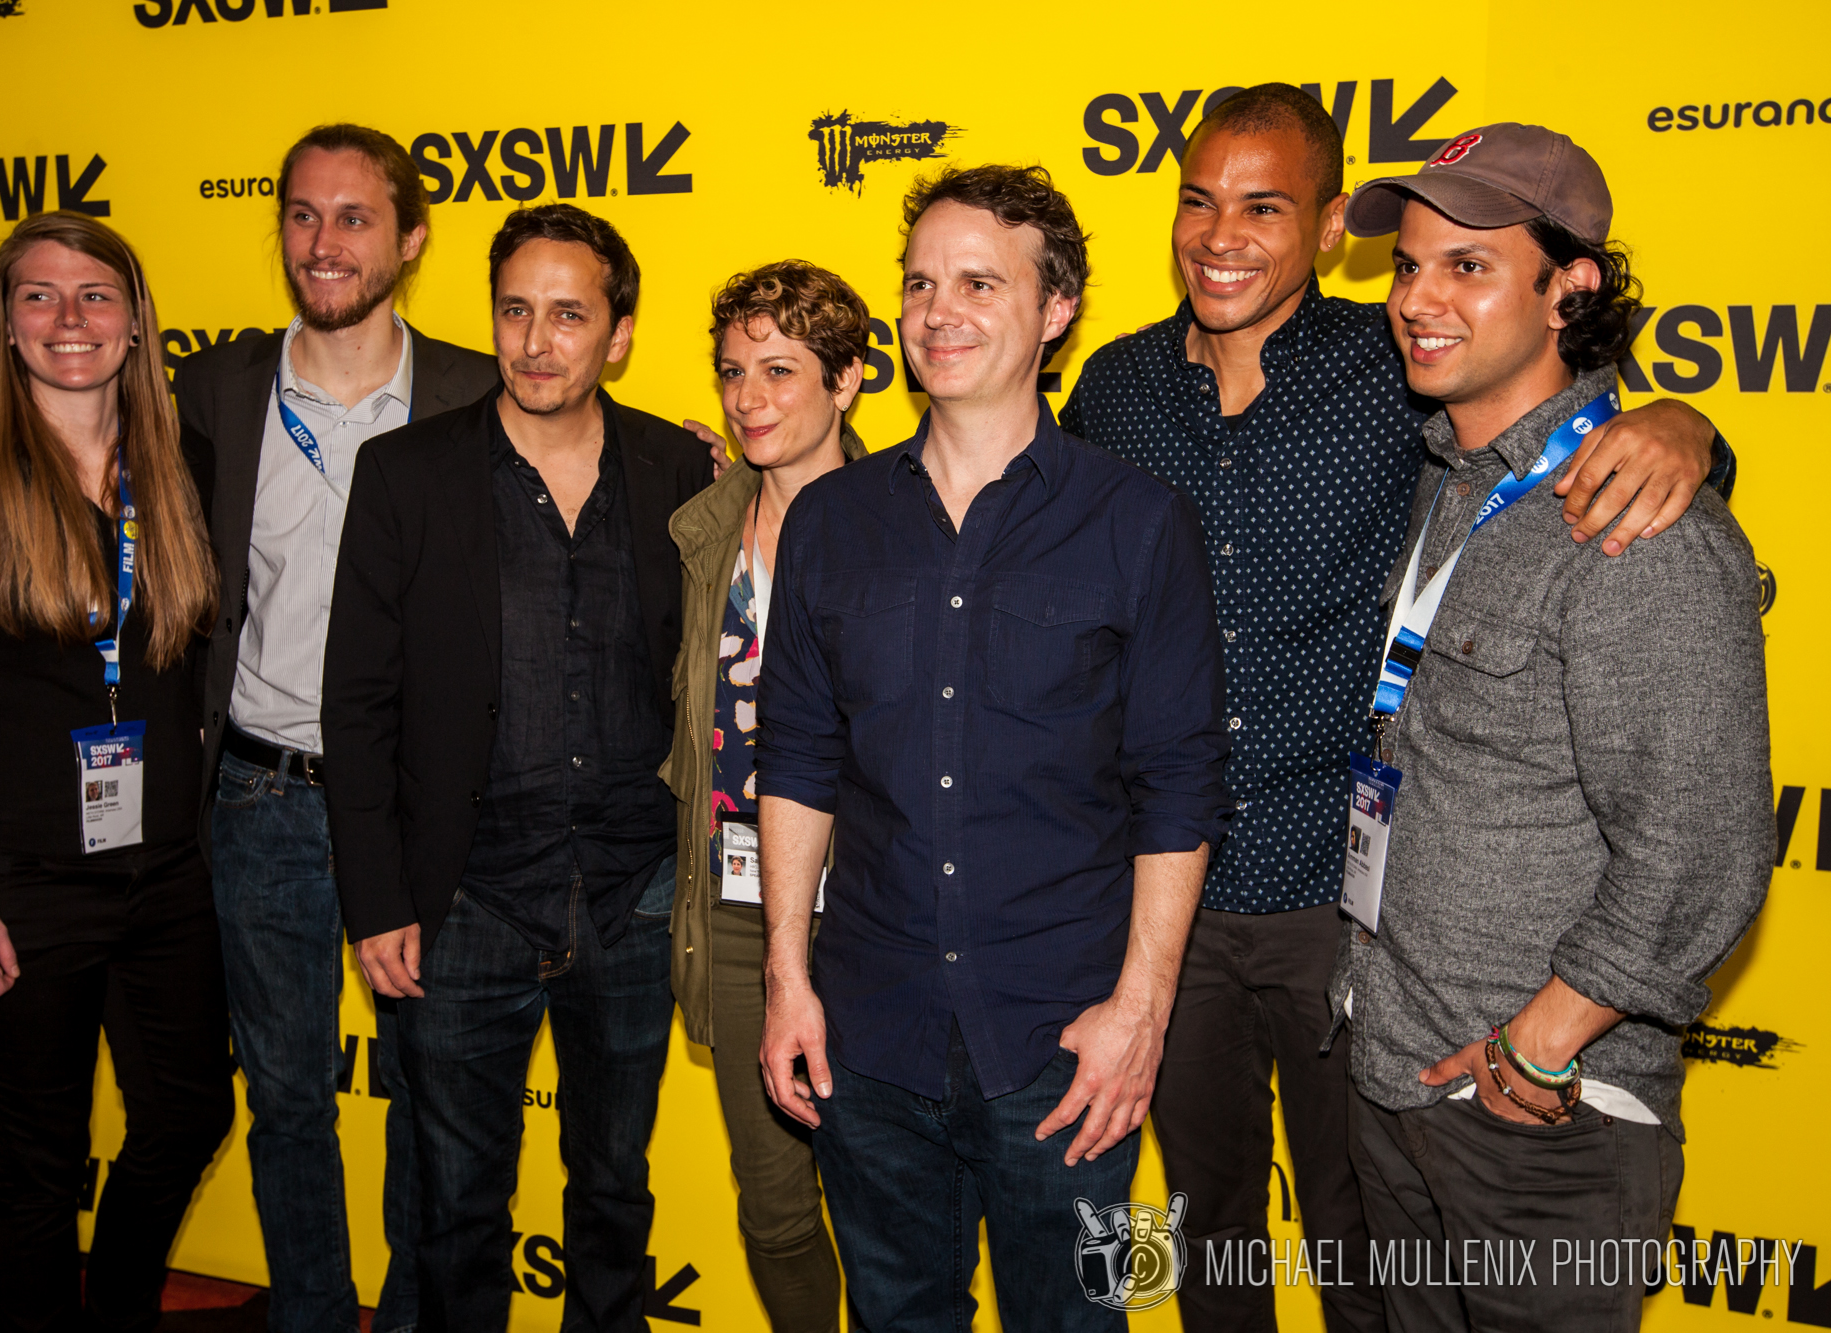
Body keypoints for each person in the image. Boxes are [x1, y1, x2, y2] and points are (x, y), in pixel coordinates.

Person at [1056, 84, 1731, 1333]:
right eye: (1197, 202)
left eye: (1264, 207)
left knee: (1356, 1246)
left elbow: (1572, 434)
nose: (1220, 235)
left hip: (1346, 907)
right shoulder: (1114, 385)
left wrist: (1682, 427)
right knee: (1206, 1235)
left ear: (1325, 232)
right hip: (1169, 894)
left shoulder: (1397, 367)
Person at [755, 164, 1233, 1331]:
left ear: (1054, 308)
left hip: (1066, 1045)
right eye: (919, 283)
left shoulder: (1138, 521)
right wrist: (784, 978)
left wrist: (1140, 1011)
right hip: (867, 1033)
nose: (938, 312)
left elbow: (1177, 784)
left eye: (978, 282)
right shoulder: (830, 519)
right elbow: (799, 759)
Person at [1335, 122, 1772, 1333]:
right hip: (1398, 1065)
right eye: (1406, 265)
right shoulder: (1446, 477)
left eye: (1466, 266)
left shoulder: (1639, 527)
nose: (1415, 298)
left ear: (1567, 290)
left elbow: (1701, 843)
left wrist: (1535, 1044)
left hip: (1538, 1117)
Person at [322, 203, 710, 1331]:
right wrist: (377, 899)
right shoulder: (405, 472)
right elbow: (357, 703)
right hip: (467, 900)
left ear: (619, 334)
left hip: (635, 895)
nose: (536, 342)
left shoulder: (679, 469)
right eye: (514, 311)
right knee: (455, 1211)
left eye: (569, 315)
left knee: (614, 1195)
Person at [0, 210, 231, 1331]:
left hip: (165, 871)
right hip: (7, 879)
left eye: (94, 295)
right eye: (39, 295)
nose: (70, 318)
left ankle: (115, 1306)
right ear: (7, 324)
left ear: (136, 321)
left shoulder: (185, 466)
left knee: (188, 1115)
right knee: (40, 1154)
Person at [171, 123, 497, 1333]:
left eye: (354, 217)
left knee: (430, 1095)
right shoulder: (215, 389)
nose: (323, 241)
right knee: (288, 1098)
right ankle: (309, 1312)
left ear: (409, 240)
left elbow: (597, 464)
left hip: (417, 811)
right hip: (259, 796)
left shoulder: (478, 389)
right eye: (302, 215)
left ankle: (412, 1316)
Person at [660, 261, 868, 1332]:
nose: (749, 397)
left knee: (888, 1205)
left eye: (780, 370)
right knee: (775, 1208)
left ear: (849, 379)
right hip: (737, 908)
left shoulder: (911, 521)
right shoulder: (701, 531)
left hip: (875, 915)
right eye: (734, 371)